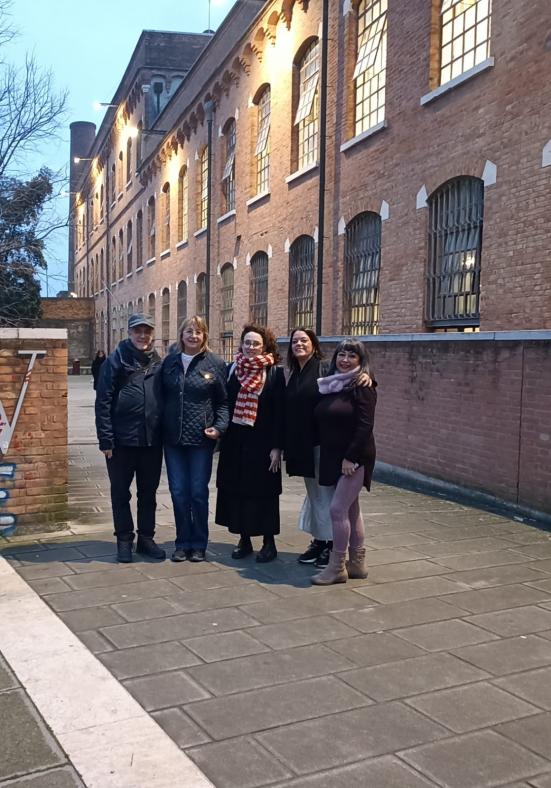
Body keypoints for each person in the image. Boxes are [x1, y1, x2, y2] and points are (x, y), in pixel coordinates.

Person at [95, 314, 165, 563]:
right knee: (120, 493)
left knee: (149, 493)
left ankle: (146, 538)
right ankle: (124, 539)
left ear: (152, 334)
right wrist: (106, 439)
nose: (142, 336)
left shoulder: (159, 362)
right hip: (121, 443)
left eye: (147, 331)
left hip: (151, 442)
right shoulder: (115, 361)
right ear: (129, 333)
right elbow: (102, 401)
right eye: (138, 331)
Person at [161, 316, 229, 562]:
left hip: (201, 440)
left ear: (205, 336)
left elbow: (223, 402)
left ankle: (199, 543)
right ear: (181, 335)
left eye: (198, 332)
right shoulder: (169, 363)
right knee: (179, 491)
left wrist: (219, 427)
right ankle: (182, 543)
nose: (193, 336)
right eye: (189, 331)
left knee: (198, 492)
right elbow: (159, 398)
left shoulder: (215, 363)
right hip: (173, 440)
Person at [215, 324, 285, 563]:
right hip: (236, 441)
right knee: (238, 490)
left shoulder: (274, 372)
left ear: (264, 346)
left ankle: (269, 542)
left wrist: (277, 446)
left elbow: (279, 413)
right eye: (247, 342)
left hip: (263, 442)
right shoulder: (232, 369)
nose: (251, 347)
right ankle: (244, 539)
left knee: (265, 492)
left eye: (256, 343)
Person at [311, 338, 377, 585]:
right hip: (334, 454)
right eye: (342, 354)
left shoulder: (363, 386)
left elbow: (365, 426)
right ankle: (357, 564)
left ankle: (337, 566)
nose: (345, 360)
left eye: (352, 356)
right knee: (351, 508)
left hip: (354, 457)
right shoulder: (332, 385)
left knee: (337, 510)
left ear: (361, 361)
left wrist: (351, 458)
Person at [284, 329, 334, 568]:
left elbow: (351, 380)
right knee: (314, 495)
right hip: (302, 444)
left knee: (326, 495)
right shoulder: (294, 373)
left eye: (304, 340)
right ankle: (320, 540)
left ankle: (331, 544)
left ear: (314, 344)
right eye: (295, 341)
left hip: (322, 444)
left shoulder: (324, 369)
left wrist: (367, 377)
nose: (299, 344)